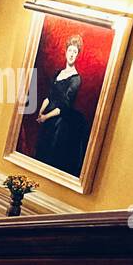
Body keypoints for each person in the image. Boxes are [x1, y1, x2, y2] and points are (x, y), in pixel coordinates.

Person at [35, 34, 89, 177]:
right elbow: (49, 96)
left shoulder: (76, 79)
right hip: (46, 116)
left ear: (78, 56)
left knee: (51, 154)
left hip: (60, 121)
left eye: (75, 52)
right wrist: (40, 113)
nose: (72, 54)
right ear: (66, 52)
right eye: (70, 51)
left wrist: (46, 117)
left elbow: (65, 105)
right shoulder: (58, 73)